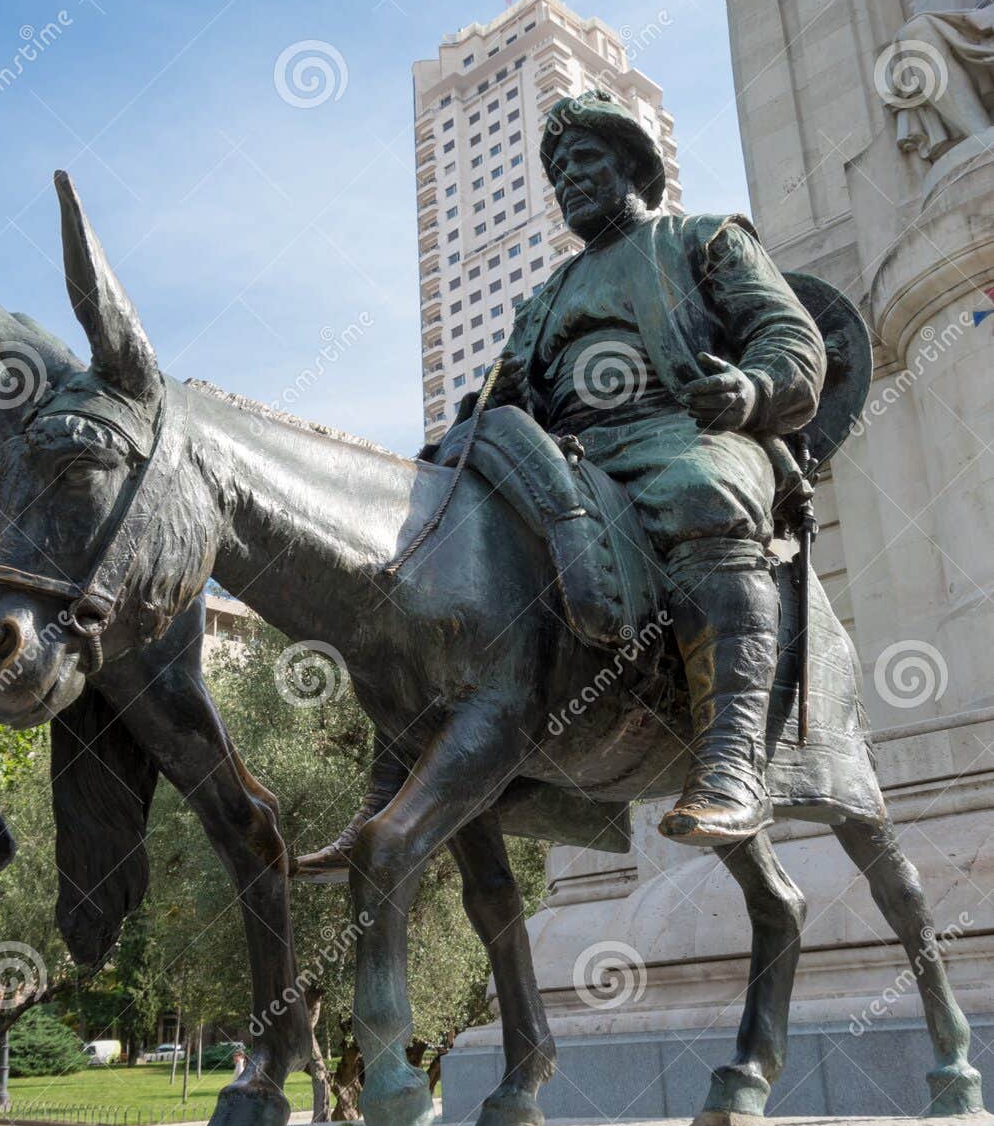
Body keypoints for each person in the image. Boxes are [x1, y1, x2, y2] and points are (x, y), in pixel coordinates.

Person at [297, 89, 824, 875]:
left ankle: (730, 764)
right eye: (558, 173)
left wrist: (751, 389)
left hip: (684, 428)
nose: (568, 182)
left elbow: (787, 334)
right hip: (569, 454)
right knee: (437, 555)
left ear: (634, 168)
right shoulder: (546, 293)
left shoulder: (704, 238)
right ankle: (393, 791)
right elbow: (509, 390)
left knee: (697, 496)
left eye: (585, 163)